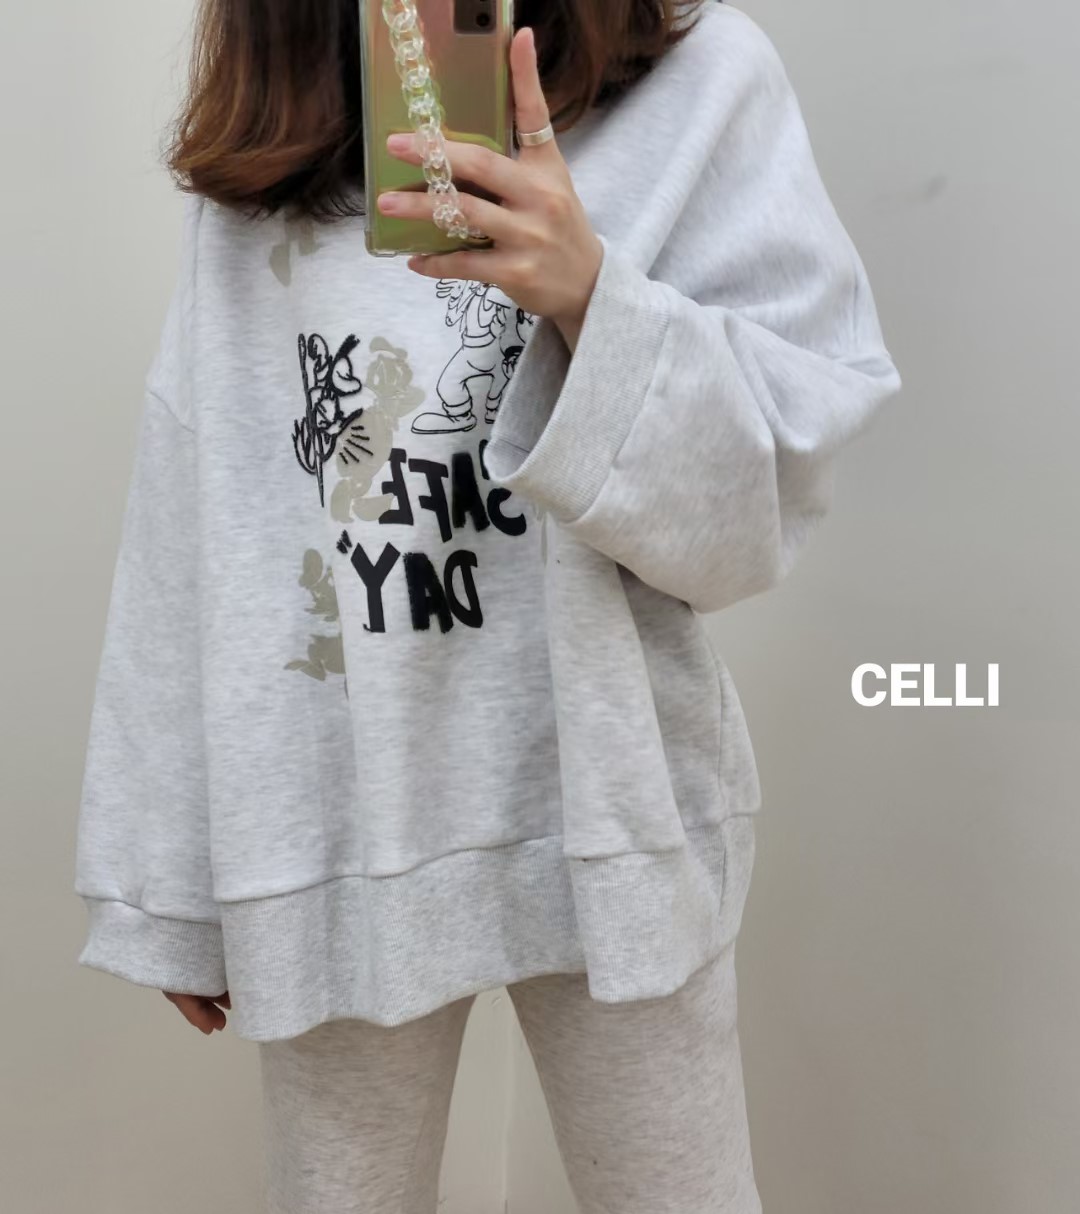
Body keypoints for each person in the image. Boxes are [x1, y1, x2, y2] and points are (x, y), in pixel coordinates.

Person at [73, 0, 902, 1210]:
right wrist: (170, 872)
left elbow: (761, 502)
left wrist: (593, 296)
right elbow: (191, 496)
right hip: (327, 815)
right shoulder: (278, 133)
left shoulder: (702, 81)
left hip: (606, 799)